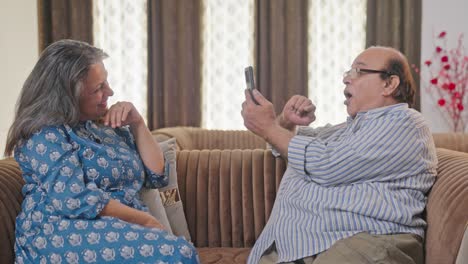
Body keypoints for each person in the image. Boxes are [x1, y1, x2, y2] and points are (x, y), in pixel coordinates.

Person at [4, 39, 199, 264]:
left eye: (106, 82)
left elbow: (157, 175)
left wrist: (137, 123)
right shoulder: (45, 134)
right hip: (60, 230)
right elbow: (73, 199)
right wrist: (145, 221)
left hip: (116, 225)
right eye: (98, 88)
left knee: (179, 252)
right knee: (177, 254)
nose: (110, 91)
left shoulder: (104, 126)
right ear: (69, 96)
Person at [241, 46, 437, 264]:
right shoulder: (347, 129)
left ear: (389, 84)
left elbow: (325, 163)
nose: (346, 79)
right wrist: (286, 122)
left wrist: (269, 127)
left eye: (359, 72)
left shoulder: (405, 122)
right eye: (348, 71)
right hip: (314, 243)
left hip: (368, 239)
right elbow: (287, 146)